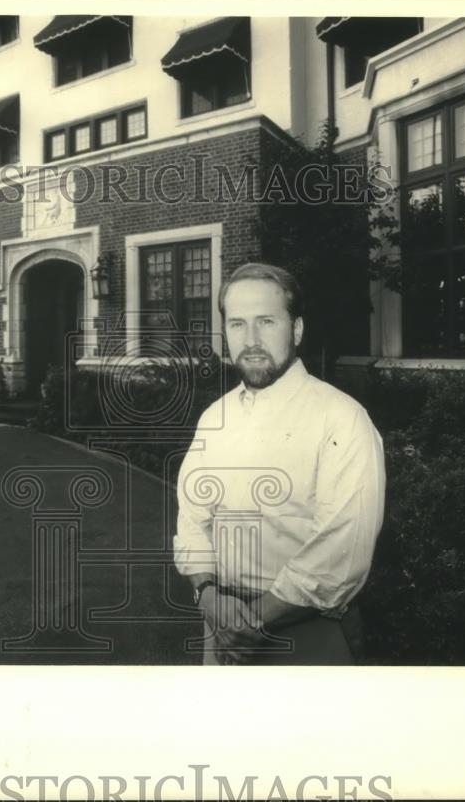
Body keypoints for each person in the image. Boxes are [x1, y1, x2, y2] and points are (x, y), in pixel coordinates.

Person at [173, 263, 385, 665]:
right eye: (237, 324)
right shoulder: (215, 418)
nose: (250, 340)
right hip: (221, 626)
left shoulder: (342, 419)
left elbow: (340, 556)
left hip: (308, 632)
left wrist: (251, 621)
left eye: (266, 321)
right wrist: (208, 594)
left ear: (297, 329)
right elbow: (191, 519)